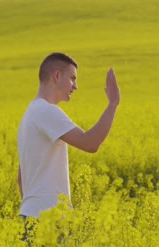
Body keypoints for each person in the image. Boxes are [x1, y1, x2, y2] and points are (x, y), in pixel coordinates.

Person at [17, 52, 120, 219]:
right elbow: (90, 143)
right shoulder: (45, 111)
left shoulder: (29, 115)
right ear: (57, 76)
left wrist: (31, 213)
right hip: (48, 219)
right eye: (72, 78)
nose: (75, 86)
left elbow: (21, 179)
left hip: (31, 216)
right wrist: (113, 104)